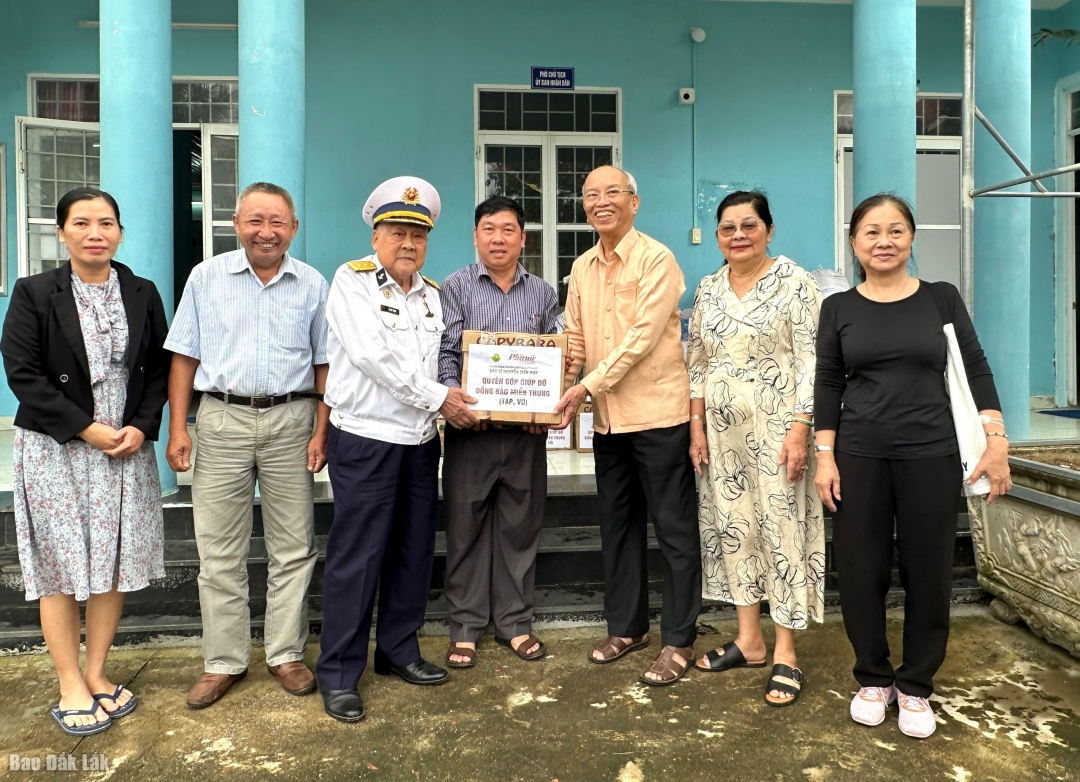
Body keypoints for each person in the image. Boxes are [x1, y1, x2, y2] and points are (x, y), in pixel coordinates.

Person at [814, 193, 1011, 738]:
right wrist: (824, 456)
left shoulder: (941, 299)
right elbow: (829, 383)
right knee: (860, 572)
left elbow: (975, 367)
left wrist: (996, 437)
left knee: (929, 572)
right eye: (872, 232)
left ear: (912, 238)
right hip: (859, 456)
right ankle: (873, 677)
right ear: (854, 242)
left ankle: (917, 685)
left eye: (895, 230)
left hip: (932, 453)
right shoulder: (839, 308)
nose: (884, 241)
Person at [1, 188, 170, 735]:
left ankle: (96, 671)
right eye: (82, 223)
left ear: (120, 232)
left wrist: (141, 427)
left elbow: (160, 368)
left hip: (124, 447)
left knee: (114, 561)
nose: (95, 232)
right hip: (57, 448)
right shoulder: (33, 292)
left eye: (106, 223)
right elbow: (23, 373)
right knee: (58, 563)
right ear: (62, 232)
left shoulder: (142, 292)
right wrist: (87, 428)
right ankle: (68, 680)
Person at [317, 176, 479, 723]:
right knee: (356, 557)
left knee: (412, 552)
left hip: (418, 441)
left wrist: (469, 393)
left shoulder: (434, 296)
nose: (408, 243)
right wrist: (443, 398)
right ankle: (339, 672)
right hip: (365, 437)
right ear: (376, 235)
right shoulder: (352, 282)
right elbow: (371, 356)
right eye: (397, 231)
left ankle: (397, 651)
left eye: (418, 233)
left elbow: (446, 362)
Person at [165, 182, 330, 708]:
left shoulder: (312, 283)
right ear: (236, 224)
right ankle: (223, 661)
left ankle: (285, 653)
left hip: (292, 418)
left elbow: (325, 362)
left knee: (294, 546)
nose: (266, 231)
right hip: (221, 418)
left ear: (293, 229)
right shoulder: (206, 278)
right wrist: (177, 427)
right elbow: (184, 357)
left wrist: (322, 429)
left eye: (277, 222)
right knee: (219, 551)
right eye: (255, 220)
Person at [552, 166, 701, 686]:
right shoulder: (582, 266)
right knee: (617, 527)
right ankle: (628, 627)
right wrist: (558, 385)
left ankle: (679, 639)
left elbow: (640, 338)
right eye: (591, 194)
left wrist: (586, 384)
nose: (601, 202)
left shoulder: (657, 258)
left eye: (612, 192)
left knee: (675, 530)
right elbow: (573, 335)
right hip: (609, 423)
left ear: (634, 202)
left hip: (659, 415)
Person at [687, 191, 824, 706]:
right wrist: (696, 426)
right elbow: (696, 361)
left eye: (749, 225)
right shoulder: (708, 288)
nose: (738, 235)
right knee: (735, 527)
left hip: (779, 430)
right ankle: (749, 640)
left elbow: (814, 361)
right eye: (728, 228)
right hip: (722, 435)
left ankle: (786, 649)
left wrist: (800, 427)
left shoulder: (795, 283)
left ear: (768, 229)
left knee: (781, 528)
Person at [439, 195, 559, 668]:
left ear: (523, 238)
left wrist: (558, 386)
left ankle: (514, 622)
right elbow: (447, 353)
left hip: (526, 435)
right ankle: (465, 625)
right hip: (472, 430)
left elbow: (555, 354)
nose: (498, 238)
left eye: (508, 229)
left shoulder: (544, 293)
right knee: (465, 526)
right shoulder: (455, 287)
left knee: (520, 526)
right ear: (475, 235)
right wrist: (453, 398)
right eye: (489, 229)